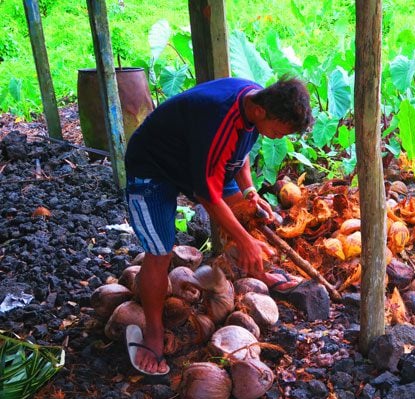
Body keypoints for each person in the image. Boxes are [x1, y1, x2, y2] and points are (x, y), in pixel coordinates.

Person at [123, 76, 313, 375]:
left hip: (197, 160)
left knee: (247, 213)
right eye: (277, 132)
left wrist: (250, 192)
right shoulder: (219, 120)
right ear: (263, 112)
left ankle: (258, 271)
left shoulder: (254, 99)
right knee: (159, 252)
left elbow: (241, 151)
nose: (277, 138)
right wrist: (245, 241)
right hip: (153, 168)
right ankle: (154, 333)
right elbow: (206, 195)